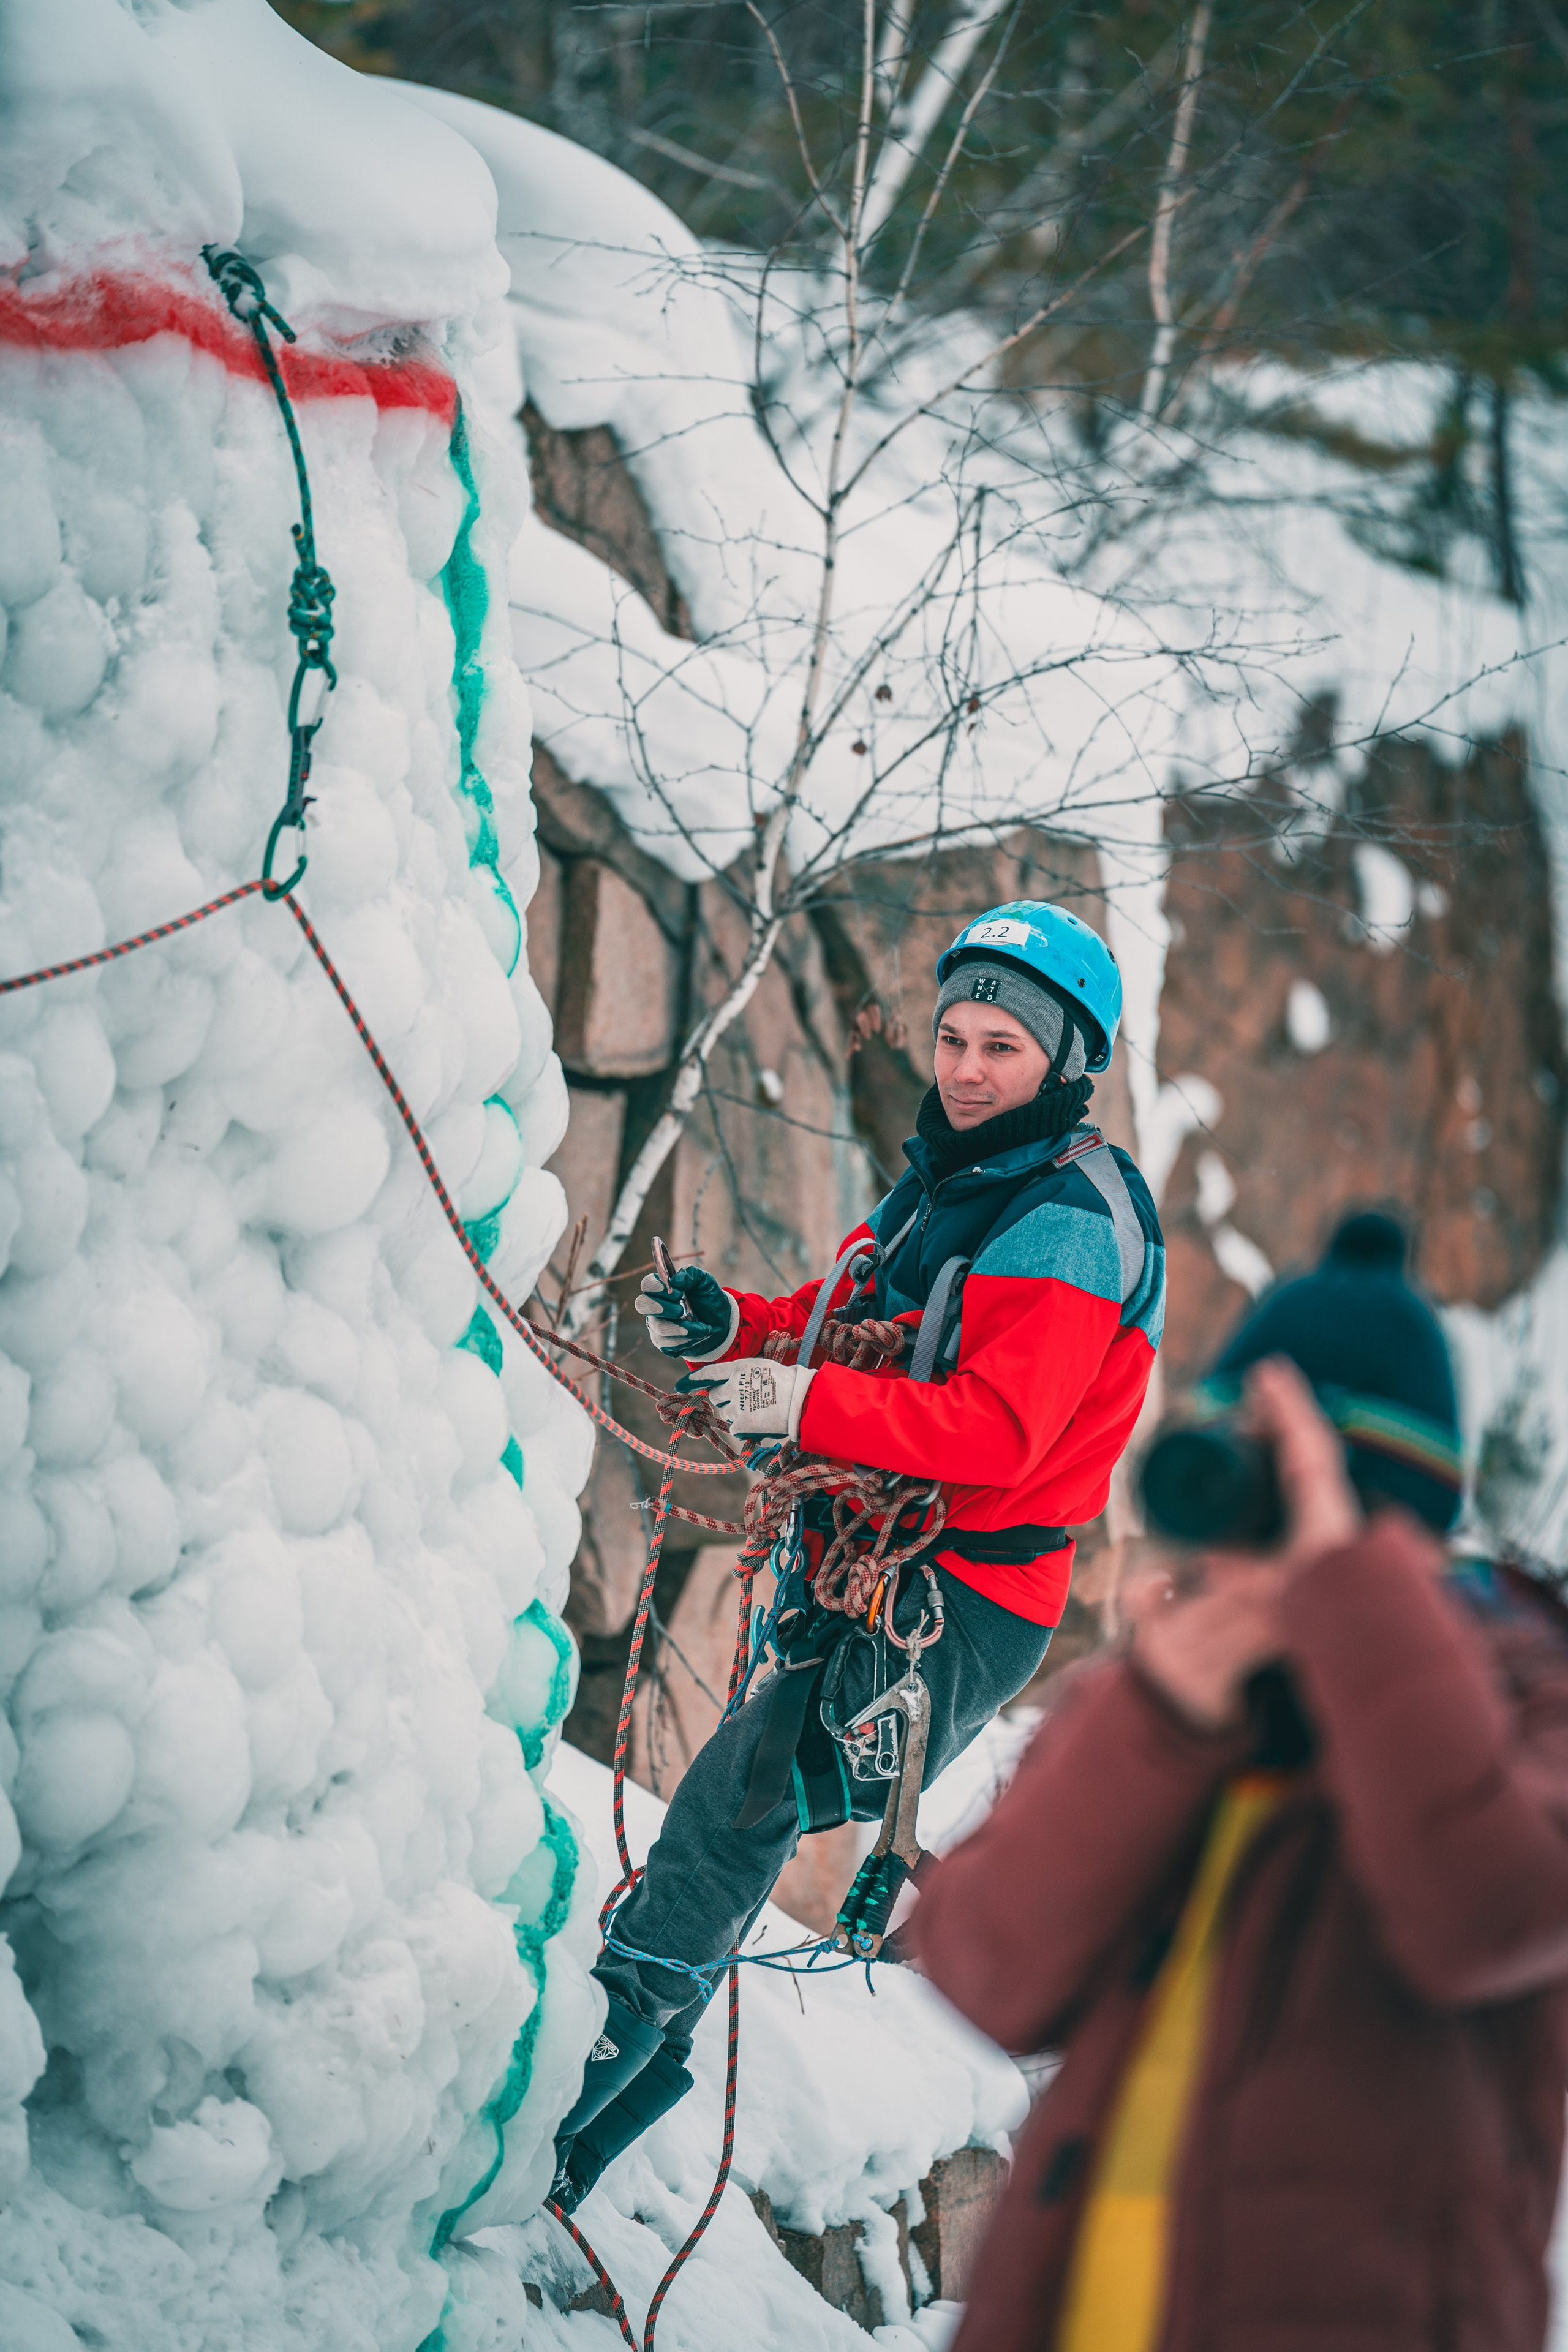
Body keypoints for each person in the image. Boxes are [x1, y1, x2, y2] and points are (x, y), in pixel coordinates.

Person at [548, 900, 1166, 2212]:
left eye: (1001, 1044)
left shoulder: (1062, 1220)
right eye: (952, 1035)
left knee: (742, 1796)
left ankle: (599, 2068)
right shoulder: (950, 1176)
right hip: (891, 1557)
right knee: (745, 1798)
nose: (963, 1066)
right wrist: (738, 1326)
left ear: (1064, 1063)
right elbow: (844, 1318)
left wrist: (796, 1402)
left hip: (966, 1593)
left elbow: (996, 1435)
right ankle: (606, 2076)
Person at [914, 1213, 1568, 2352]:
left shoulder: (1525, 1683)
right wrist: (1157, 1715)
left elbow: (1485, 1909)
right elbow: (980, 1968)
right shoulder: (1199, 1693)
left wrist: (1348, 1596)